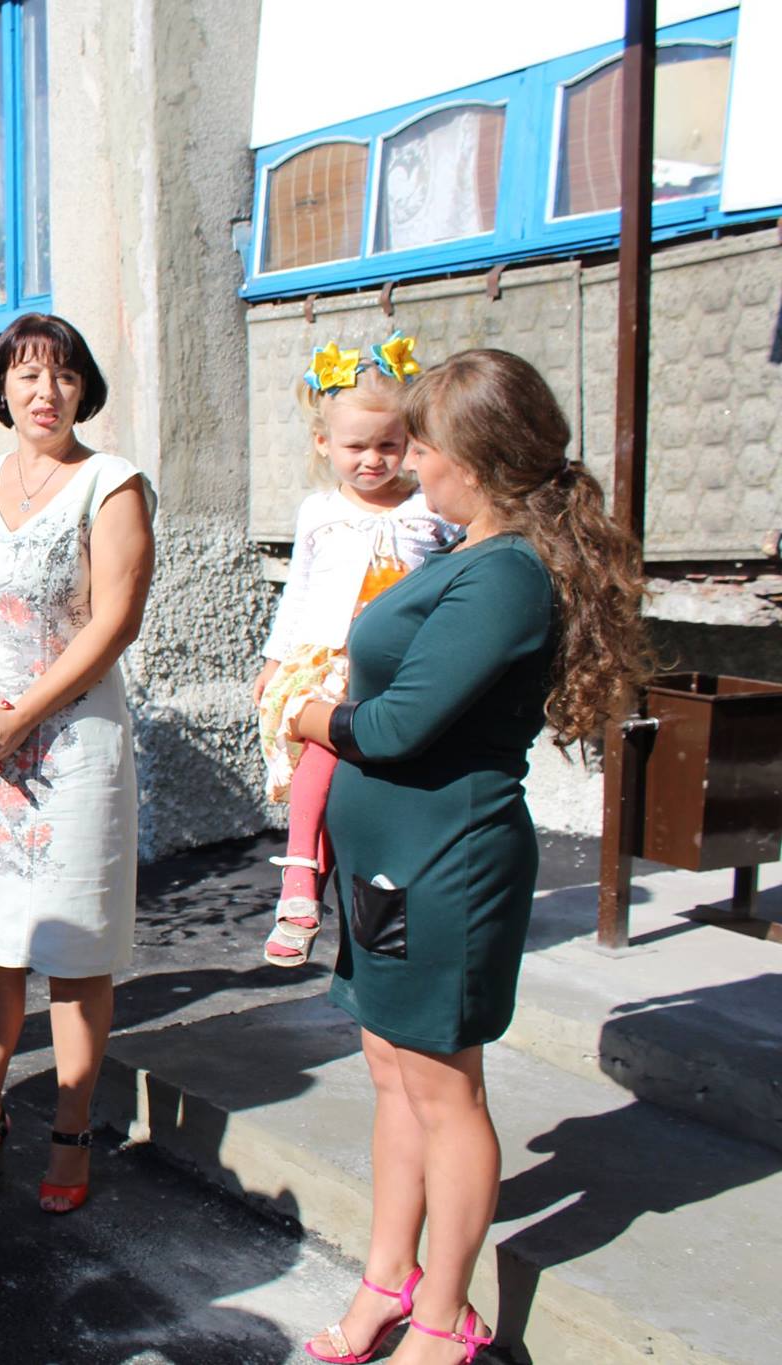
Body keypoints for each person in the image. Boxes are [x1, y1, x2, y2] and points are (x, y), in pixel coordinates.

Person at [288, 350, 647, 1364]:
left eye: (422, 444)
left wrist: (307, 714)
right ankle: (387, 1279)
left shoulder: (506, 577)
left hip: (446, 863)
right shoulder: (467, 553)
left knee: (445, 1091)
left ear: (475, 461)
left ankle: (444, 1317)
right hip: (388, 864)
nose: (408, 460)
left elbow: (396, 727)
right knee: (391, 1071)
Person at [0, 312, 155, 1216]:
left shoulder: (111, 483)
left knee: (73, 952)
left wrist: (23, 712)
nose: (44, 390)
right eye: (26, 373)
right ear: (2, 388)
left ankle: (70, 1130)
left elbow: (115, 622)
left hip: (71, 749)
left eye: (62, 374)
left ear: (83, 387)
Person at [251, 335, 454, 968]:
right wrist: (275, 661)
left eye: (388, 446)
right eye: (355, 447)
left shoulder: (430, 511)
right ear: (323, 444)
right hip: (331, 661)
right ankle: (300, 883)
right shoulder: (319, 512)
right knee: (322, 751)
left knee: (376, 782)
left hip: (403, 669)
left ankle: (373, 912)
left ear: (411, 443)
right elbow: (299, 592)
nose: (372, 460)